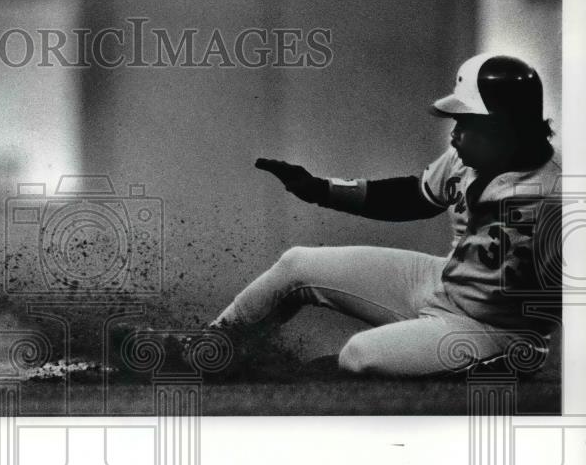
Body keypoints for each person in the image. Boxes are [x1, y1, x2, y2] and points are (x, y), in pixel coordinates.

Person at [210, 53, 562, 377]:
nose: (454, 135)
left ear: (503, 127)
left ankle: (508, 361)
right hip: (441, 281)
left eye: (465, 122)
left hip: (493, 328)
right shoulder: (468, 159)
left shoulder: (556, 195)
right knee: (296, 265)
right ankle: (206, 350)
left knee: (359, 355)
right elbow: (414, 197)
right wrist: (321, 190)